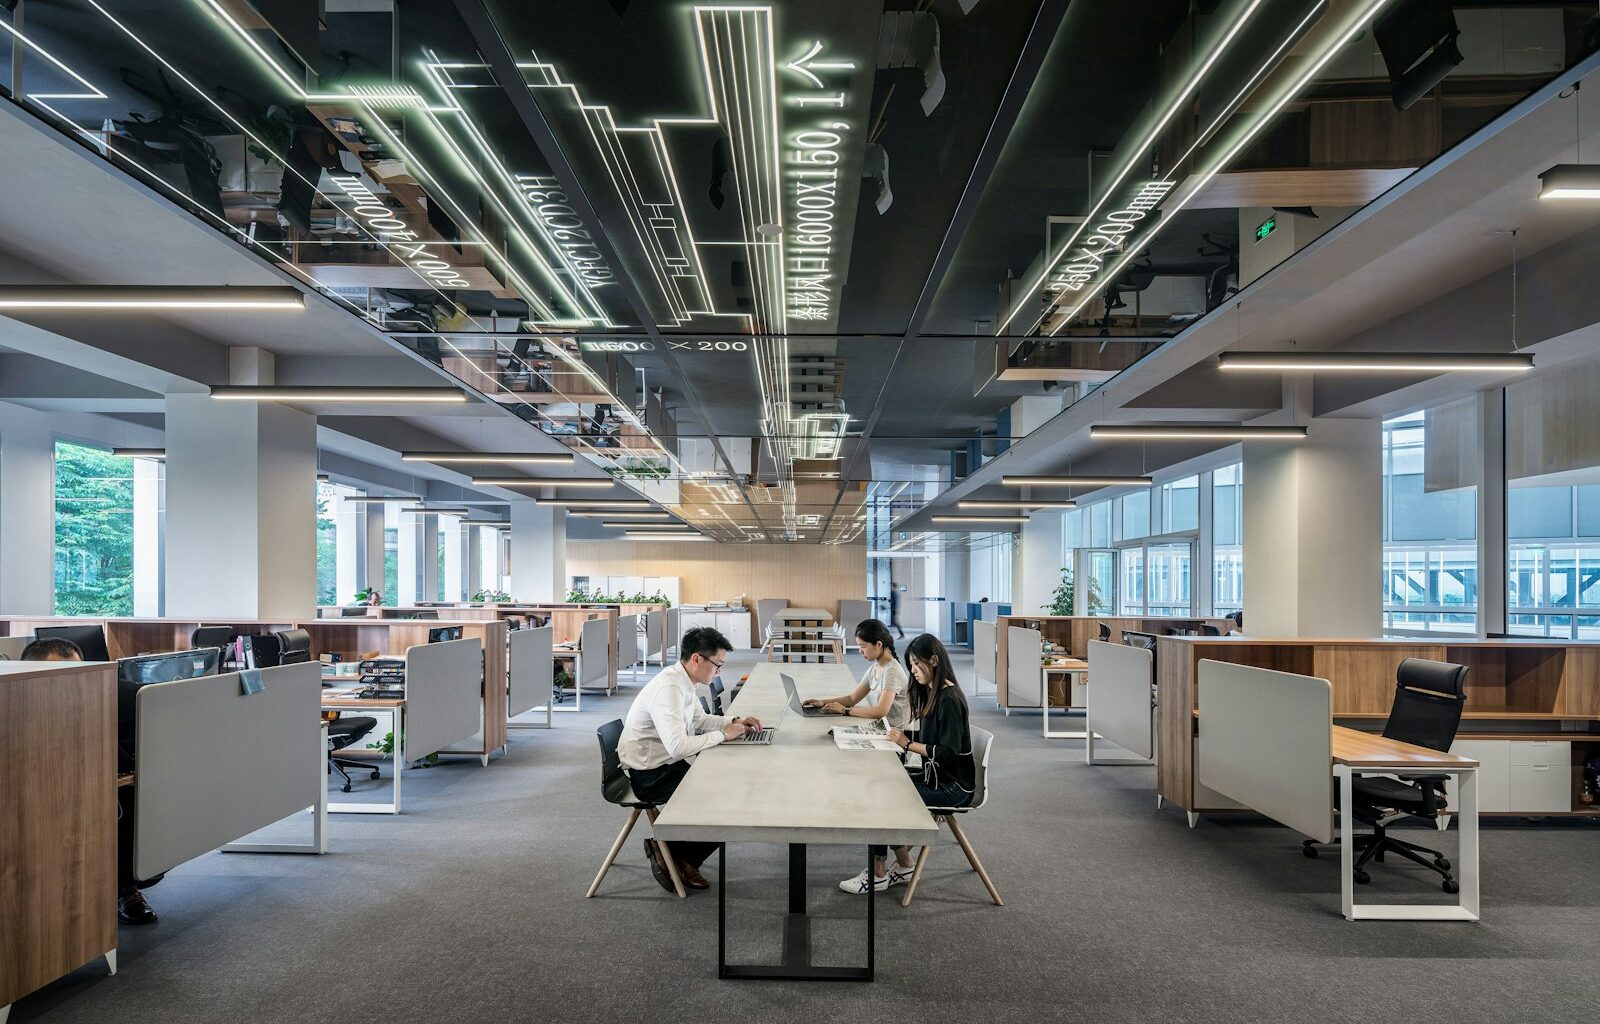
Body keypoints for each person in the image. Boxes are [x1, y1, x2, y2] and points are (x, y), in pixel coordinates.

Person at [22, 637, 163, 924]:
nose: (73, 683)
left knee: (132, 803)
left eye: (79, 673)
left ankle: (124, 889)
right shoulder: (18, 710)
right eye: (60, 675)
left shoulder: (100, 703)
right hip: (33, 798)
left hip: (88, 789)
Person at [617, 627, 762, 893]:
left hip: (666, 765)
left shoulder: (683, 682)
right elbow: (677, 747)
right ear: (697, 659)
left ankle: (672, 851)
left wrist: (735, 721)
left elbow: (700, 720)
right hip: (650, 775)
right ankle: (676, 855)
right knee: (729, 801)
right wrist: (723, 735)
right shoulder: (668, 689)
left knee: (733, 788)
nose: (719, 671)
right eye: (718, 664)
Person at [839, 633, 975, 895]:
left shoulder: (949, 699)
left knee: (882, 797)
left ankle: (878, 873)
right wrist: (897, 736)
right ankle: (904, 864)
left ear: (934, 661)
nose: (912, 671)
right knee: (880, 785)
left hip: (953, 787)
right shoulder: (936, 693)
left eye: (916, 664)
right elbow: (933, 738)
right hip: (936, 776)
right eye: (910, 665)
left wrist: (907, 743)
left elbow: (948, 753)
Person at [805, 619, 911, 729]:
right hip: (883, 728)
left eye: (863, 646)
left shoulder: (892, 671)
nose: (860, 651)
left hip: (896, 734)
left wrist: (844, 710)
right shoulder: (876, 667)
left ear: (878, 644)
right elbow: (852, 698)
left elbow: (880, 711)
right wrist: (823, 702)